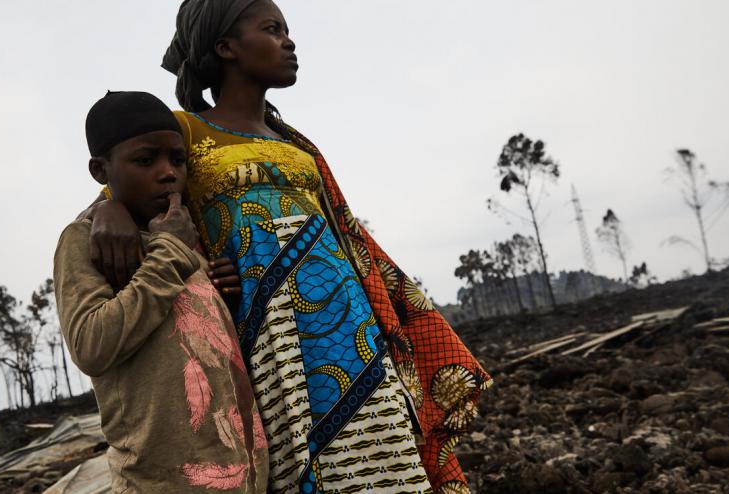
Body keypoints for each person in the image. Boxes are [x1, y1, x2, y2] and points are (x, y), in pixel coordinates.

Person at [88, 2, 493, 492]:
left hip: (351, 325)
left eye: (287, 30)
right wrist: (106, 206)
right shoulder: (188, 131)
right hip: (268, 332)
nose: (289, 41)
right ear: (226, 47)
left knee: (384, 454)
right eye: (273, 29)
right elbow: (136, 179)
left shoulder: (295, 142)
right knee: (299, 463)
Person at [55, 91, 268, 493]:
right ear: (100, 170)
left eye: (177, 159)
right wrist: (170, 252)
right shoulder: (84, 239)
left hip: (243, 478)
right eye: (145, 160)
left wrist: (225, 298)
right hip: (161, 481)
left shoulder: (187, 243)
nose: (168, 172)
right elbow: (91, 345)